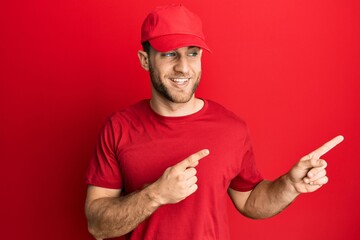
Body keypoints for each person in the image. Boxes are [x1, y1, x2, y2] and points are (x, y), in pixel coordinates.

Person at [84, 4, 343, 240]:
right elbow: (97, 227)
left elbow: (250, 201)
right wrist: (156, 194)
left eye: (193, 53)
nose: (184, 67)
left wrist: (290, 185)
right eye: (170, 54)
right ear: (145, 60)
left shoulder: (231, 128)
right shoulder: (119, 128)